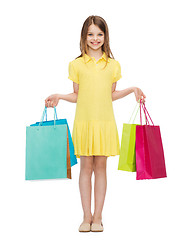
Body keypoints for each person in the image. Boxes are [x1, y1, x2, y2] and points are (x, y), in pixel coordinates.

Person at [45, 15, 146, 232]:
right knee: (85, 168)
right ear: (84, 36)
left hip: (104, 122)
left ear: (105, 36)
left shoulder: (113, 65)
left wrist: (132, 90)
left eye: (99, 34)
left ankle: (98, 217)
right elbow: (77, 95)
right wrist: (59, 96)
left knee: (101, 168)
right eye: (90, 34)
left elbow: (110, 94)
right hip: (84, 122)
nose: (95, 38)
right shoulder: (77, 64)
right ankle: (86, 217)